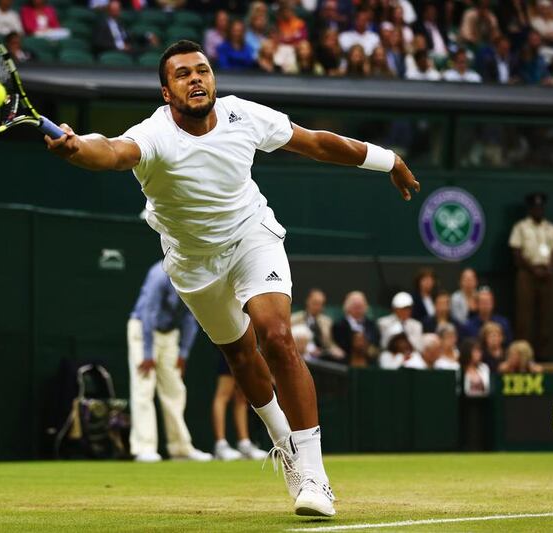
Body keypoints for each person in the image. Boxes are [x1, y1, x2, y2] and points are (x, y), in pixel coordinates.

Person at [43, 39, 420, 517]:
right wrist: (77, 148)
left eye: (202, 70)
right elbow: (113, 151)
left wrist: (389, 159)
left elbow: (317, 142)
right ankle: (282, 439)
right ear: (166, 93)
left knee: (278, 336)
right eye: (182, 74)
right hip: (192, 263)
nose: (196, 78)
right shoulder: (154, 135)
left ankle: (315, 475)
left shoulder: (244, 115)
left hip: (251, 237)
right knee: (241, 357)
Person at [126, 261, 211, 463]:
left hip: (169, 334)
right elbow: (148, 313)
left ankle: (180, 448)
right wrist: (148, 354)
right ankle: (143, 447)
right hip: (143, 330)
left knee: (175, 390)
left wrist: (184, 353)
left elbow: (192, 317)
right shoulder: (158, 275)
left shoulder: (194, 277)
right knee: (144, 388)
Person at [509, 192, 553, 360]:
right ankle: (523, 356)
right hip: (527, 273)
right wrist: (532, 269)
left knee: (546, 316)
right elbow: (516, 252)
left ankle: (544, 356)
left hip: (547, 274)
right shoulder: (521, 227)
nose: (538, 210)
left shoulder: (552, 228)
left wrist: (549, 268)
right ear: (530, 209)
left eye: (540, 208)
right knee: (524, 317)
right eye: (535, 208)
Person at [212, 354, 269, 461]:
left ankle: (244, 443)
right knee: (223, 395)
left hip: (246, 350)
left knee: (242, 397)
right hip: (230, 346)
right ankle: (220, 445)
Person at [290, 288, 344, 361]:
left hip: (323, 357)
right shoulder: (294, 319)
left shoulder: (327, 322)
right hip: (301, 357)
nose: (318, 307)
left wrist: (334, 349)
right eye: (315, 303)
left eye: (320, 304)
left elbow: (330, 343)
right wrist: (308, 350)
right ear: (307, 301)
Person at [333, 291, 381, 363]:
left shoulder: (371, 325)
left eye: (361, 307)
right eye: (355, 307)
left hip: (369, 362)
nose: (358, 310)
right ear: (347, 307)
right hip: (345, 362)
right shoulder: (338, 326)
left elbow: (376, 342)